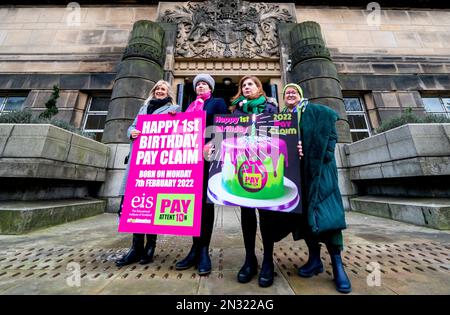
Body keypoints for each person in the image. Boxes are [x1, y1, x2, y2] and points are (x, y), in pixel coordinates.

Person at [283, 83, 352, 294]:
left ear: (301, 95)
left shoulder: (316, 111)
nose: (290, 93)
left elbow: (331, 134)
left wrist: (321, 153)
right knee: (305, 219)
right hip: (299, 174)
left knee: (328, 217)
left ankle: (338, 265)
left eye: (293, 91)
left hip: (320, 173)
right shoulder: (284, 118)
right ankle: (314, 259)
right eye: (286, 92)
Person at [115, 80, 180, 267]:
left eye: (163, 89)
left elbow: (179, 130)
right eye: (157, 89)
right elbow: (132, 127)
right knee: (135, 206)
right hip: (138, 163)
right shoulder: (144, 108)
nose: (160, 91)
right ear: (154, 91)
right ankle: (136, 248)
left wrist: (176, 118)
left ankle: (150, 246)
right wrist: (132, 132)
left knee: (152, 206)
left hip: (156, 164)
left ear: (168, 93)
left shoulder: (174, 108)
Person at [230, 75, 281, 288]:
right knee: (247, 213)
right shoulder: (237, 111)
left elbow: (282, 133)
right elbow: (228, 135)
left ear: (259, 87)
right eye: (243, 85)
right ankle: (250, 258)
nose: (246, 87)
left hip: (267, 166)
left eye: (250, 84)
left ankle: (268, 259)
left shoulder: (270, 108)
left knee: (267, 215)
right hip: (242, 166)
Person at [174, 73, 227, 275]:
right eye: (198, 85)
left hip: (207, 160)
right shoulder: (189, 106)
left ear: (211, 88)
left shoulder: (217, 102)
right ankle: (194, 249)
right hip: (189, 161)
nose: (200, 87)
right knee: (192, 205)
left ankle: (204, 249)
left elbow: (222, 127)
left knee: (205, 206)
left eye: (204, 84)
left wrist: (212, 145)